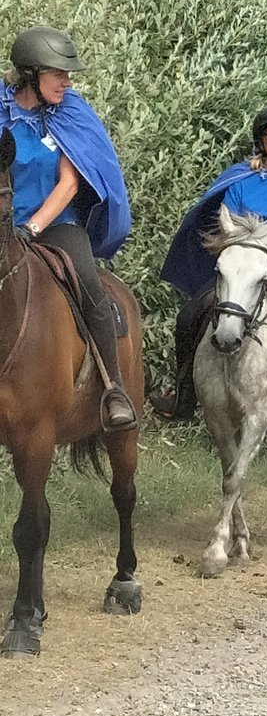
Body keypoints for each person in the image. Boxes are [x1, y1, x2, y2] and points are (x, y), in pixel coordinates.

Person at [150, 106, 267, 430]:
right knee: (188, 317)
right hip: (246, 268)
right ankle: (183, 392)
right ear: (260, 140)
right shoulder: (240, 181)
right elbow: (227, 225)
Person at [0, 26, 136, 430]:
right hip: (1, 226)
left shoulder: (70, 113)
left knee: (90, 284)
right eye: (58, 73)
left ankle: (113, 388)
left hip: (56, 226)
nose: (67, 81)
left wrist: (34, 226)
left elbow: (70, 183)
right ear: (31, 74)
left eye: (67, 74)